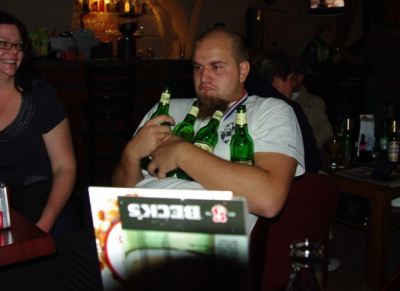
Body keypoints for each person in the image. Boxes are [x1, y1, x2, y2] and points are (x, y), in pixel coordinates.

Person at [113, 27, 305, 229]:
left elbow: (269, 199)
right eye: (198, 67)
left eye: (216, 67)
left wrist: (182, 153)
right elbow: (120, 198)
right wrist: (130, 156)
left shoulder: (271, 111)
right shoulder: (166, 111)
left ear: (243, 71)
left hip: (205, 237)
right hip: (135, 228)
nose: (203, 77)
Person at [0, 10, 78, 235]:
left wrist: (45, 224)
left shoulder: (40, 94)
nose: (13, 51)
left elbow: (65, 167)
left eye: (18, 45)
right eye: (3, 44)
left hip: (44, 207)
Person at [246, 48, 321, 172]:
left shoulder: (239, 101)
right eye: (291, 79)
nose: (294, 85)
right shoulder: (289, 108)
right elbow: (312, 161)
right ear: (277, 82)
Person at [299, 22, 343, 124]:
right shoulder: (312, 45)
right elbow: (314, 67)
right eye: (333, 34)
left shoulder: (327, 47)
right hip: (312, 83)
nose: (334, 37)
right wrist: (332, 61)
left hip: (323, 83)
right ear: (326, 33)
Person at [292, 62, 333, 150]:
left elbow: (325, 128)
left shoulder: (314, 102)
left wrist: (307, 146)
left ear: (299, 78)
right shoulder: (274, 101)